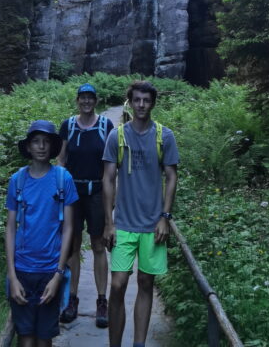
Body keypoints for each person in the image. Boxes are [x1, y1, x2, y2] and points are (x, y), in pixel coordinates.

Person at [102, 80, 179, 347]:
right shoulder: (118, 136)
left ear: (153, 103)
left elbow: (171, 177)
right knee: (117, 285)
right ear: (130, 102)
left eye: (146, 100)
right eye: (137, 100)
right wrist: (108, 222)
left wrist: (165, 217)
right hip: (123, 223)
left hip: (152, 224)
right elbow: (108, 179)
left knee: (146, 283)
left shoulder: (164, 136)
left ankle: (138, 343)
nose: (142, 105)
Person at [5, 120, 79, 347]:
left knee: (45, 338)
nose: (41, 146)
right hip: (23, 270)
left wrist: (58, 274)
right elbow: (10, 228)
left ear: (53, 147)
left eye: (46, 142)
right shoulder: (17, 180)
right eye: (36, 141)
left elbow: (68, 228)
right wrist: (12, 277)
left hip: (49, 270)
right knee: (25, 338)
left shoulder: (62, 179)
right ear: (28, 147)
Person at [56, 82, 114, 328]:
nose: (86, 102)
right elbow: (60, 158)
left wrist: (112, 202)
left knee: (98, 245)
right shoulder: (68, 125)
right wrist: (59, 187)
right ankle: (72, 299)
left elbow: (111, 165)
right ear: (77, 100)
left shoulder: (105, 125)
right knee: (73, 246)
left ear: (96, 100)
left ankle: (102, 301)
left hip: (97, 192)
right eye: (83, 98)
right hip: (73, 193)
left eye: (90, 97)